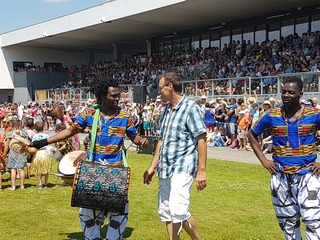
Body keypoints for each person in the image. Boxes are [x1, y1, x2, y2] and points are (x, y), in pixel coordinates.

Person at [31, 77, 149, 240]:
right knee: (88, 214)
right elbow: (70, 131)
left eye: (118, 95)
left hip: (116, 171)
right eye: (113, 95)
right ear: (101, 96)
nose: (117, 98)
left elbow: (134, 137)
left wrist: (141, 141)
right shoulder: (90, 113)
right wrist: (43, 142)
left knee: (119, 213)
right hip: (93, 171)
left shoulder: (124, 116)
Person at [247, 76, 320, 239]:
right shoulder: (272, 115)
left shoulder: (314, 114)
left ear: (301, 94)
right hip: (280, 176)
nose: (286, 95)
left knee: (314, 222)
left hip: (308, 175)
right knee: (288, 223)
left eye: (291, 92)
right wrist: (264, 161)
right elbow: (251, 135)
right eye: (284, 92)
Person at [143, 72, 207, 240]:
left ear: (170, 86)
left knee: (179, 210)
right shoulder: (166, 111)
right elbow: (161, 140)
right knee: (166, 212)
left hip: (183, 166)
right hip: (165, 168)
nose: (158, 91)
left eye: (160, 87)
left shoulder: (190, 108)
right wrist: (152, 167)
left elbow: (201, 139)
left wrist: (201, 170)